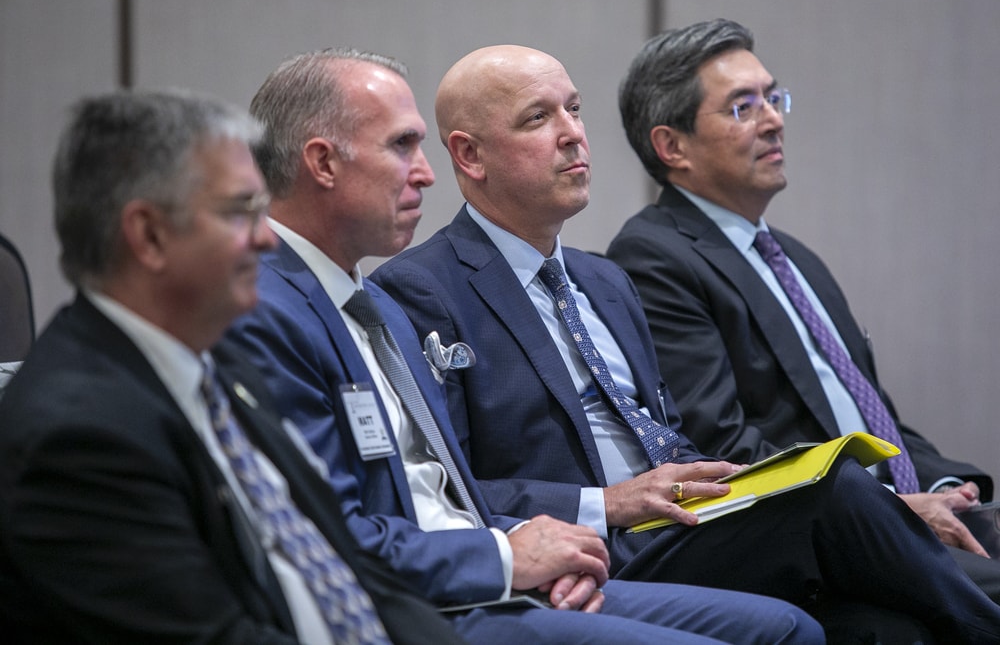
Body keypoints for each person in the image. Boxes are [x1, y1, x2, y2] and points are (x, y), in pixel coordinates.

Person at [370, 43, 1000, 643]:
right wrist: (606, 503)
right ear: (470, 156)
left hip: (686, 520)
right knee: (837, 490)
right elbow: (451, 488)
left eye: (575, 109)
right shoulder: (421, 289)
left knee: (886, 620)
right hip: (597, 542)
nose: (572, 133)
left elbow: (670, 436)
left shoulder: (604, 279)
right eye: (538, 117)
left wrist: (749, 482)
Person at [225, 47, 825, 644]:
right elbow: (331, 533)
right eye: (402, 145)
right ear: (324, 163)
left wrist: (538, 551)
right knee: (829, 524)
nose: (427, 173)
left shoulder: (371, 305)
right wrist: (512, 558)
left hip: (506, 559)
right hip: (432, 601)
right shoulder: (273, 311)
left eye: (574, 110)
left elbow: (447, 487)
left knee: (795, 624)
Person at [0, 89, 465, 644]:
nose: (267, 237)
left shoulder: (224, 370)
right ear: (149, 236)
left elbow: (349, 561)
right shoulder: (79, 437)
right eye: (241, 211)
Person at [604, 19, 1000, 595]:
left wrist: (944, 488)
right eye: (743, 107)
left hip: (903, 511)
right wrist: (893, 508)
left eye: (773, 97)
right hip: (825, 540)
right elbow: (723, 447)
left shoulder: (793, 258)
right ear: (672, 145)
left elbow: (867, 414)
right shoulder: (654, 257)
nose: (774, 120)